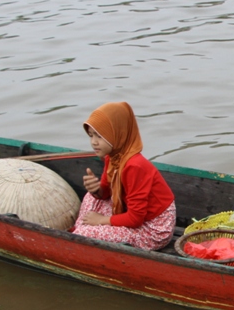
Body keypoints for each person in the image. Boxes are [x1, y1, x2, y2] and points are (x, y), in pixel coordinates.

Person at [71, 102, 176, 251]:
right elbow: (106, 192)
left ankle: (80, 233)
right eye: (91, 135)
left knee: (84, 234)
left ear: (117, 134)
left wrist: (102, 220)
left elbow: (135, 219)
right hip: (135, 214)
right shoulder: (113, 157)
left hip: (153, 229)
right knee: (90, 197)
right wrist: (96, 190)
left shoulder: (134, 166)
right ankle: (81, 230)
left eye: (99, 136)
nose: (93, 142)